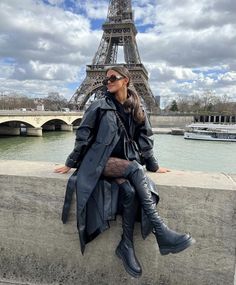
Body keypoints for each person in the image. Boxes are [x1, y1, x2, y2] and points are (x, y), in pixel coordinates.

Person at [55, 66, 195, 278]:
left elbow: (145, 139)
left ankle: (126, 245)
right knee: (135, 168)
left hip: (123, 163)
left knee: (130, 192)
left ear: (126, 80)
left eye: (113, 78)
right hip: (97, 162)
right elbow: (83, 136)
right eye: (106, 79)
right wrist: (71, 162)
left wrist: (154, 165)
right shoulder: (98, 106)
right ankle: (161, 230)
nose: (108, 81)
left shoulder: (137, 107)